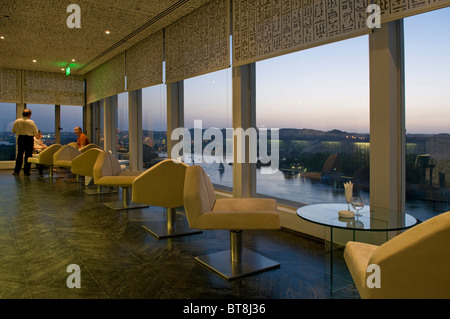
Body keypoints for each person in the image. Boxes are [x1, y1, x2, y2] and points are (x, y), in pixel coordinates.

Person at [12, 108, 39, 176]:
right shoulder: (31, 122)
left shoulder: (17, 121)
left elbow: (14, 131)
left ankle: (16, 171)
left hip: (20, 138)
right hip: (29, 138)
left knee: (20, 155)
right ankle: (27, 171)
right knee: (28, 155)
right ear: (29, 115)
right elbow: (35, 132)